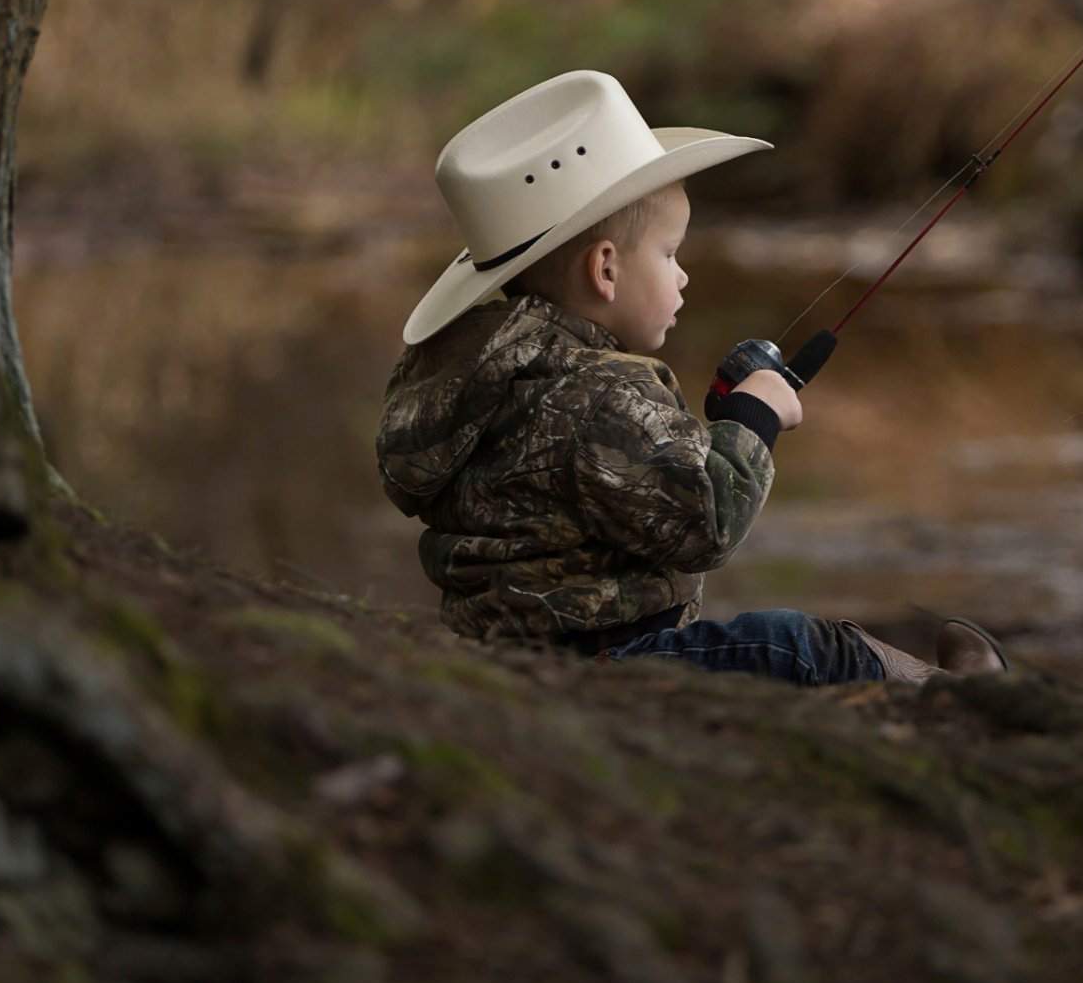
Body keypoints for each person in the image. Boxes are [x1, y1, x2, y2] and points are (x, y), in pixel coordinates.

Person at [375, 69, 1007, 684]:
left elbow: (618, 484)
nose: (682, 276)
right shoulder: (600, 398)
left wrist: (701, 432)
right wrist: (751, 419)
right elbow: (707, 523)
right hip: (602, 665)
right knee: (798, 644)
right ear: (605, 271)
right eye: (670, 253)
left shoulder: (478, 379)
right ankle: (964, 702)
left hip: (509, 658)